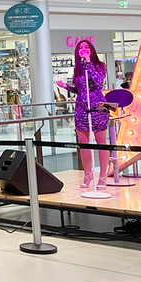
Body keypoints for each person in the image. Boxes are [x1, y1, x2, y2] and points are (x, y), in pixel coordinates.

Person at [56, 39, 110, 189]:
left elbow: (98, 82)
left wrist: (88, 63)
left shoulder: (99, 66)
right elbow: (80, 90)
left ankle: (103, 176)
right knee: (83, 144)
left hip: (98, 107)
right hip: (81, 108)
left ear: (92, 50)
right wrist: (66, 86)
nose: (84, 49)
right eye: (81, 48)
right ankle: (87, 174)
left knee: (101, 143)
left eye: (87, 47)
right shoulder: (78, 69)